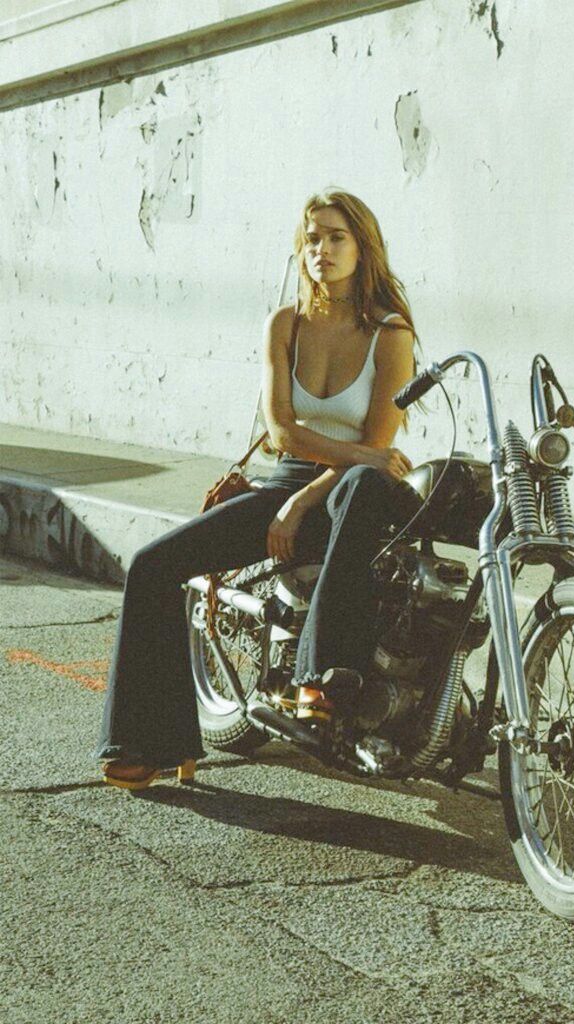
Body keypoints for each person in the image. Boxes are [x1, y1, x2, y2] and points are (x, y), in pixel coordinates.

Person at [97, 188, 417, 790]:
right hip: (284, 485)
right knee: (151, 565)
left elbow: (374, 455)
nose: (321, 248)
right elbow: (281, 430)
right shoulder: (285, 324)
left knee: (365, 484)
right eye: (312, 237)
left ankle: (317, 680)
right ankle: (150, 744)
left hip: (351, 498)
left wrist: (307, 496)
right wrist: (306, 483)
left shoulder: (390, 334)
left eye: (336, 236)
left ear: (362, 246)